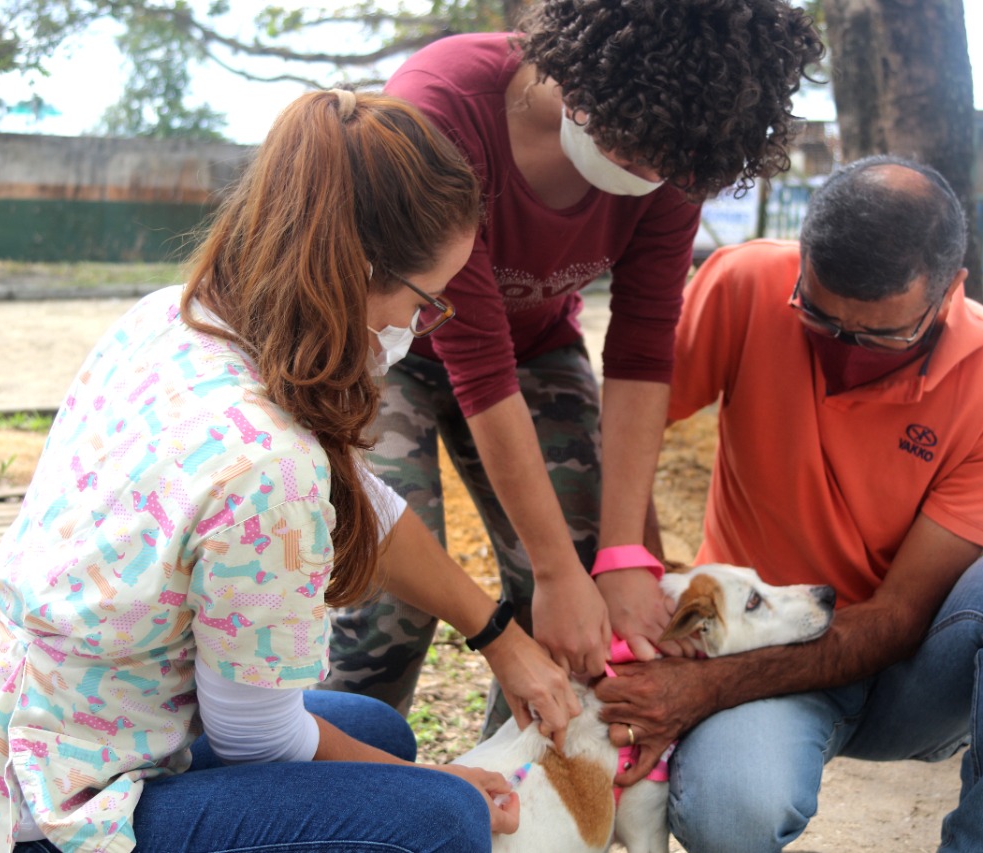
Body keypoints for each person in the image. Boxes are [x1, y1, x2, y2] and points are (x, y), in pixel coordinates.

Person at [0, 89, 580, 853]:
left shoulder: (174, 317)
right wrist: (441, 784)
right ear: (356, 270)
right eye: (424, 302)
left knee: (376, 728)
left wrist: (496, 632)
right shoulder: (267, 465)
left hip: (17, 725)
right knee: (440, 823)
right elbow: (256, 733)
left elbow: (360, 502)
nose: (421, 328)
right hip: (50, 806)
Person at [323, 0, 825, 733]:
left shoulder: (680, 145)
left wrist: (616, 553)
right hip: (387, 343)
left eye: (668, 168)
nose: (649, 174)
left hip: (535, 351)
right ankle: (344, 793)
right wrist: (555, 571)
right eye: (634, 151)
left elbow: (644, 343)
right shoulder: (444, 108)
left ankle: (519, 802)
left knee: (581, 581)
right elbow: (477, 359)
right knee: (390, 598)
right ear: (593, 71)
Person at [594, 156, 983, 852]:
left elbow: (898, 618)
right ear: (803, 263)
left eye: (880, 337)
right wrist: (645, 585)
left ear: (950, 290)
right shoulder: (746, 284)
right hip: (759, 647)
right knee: (729, 815)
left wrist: (701, 689)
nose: (843, 355)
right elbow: (623, 431)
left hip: (911, 672)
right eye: (818, 318)